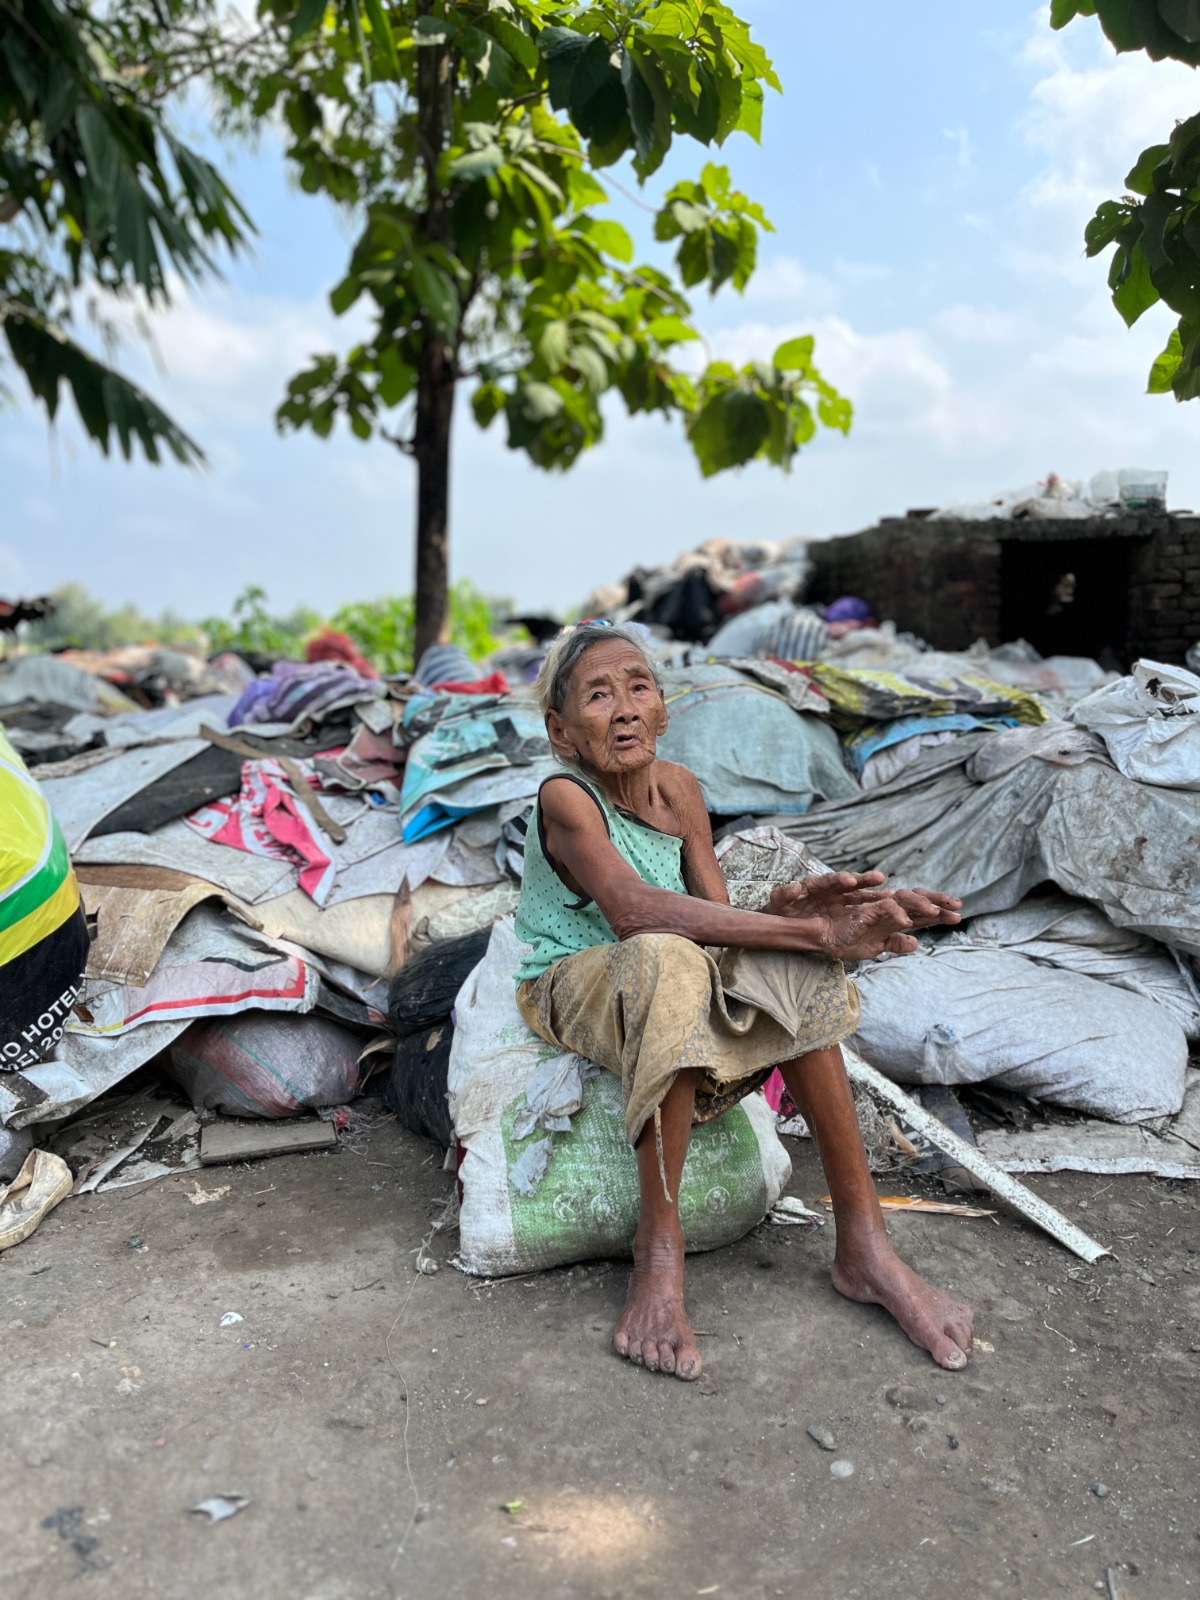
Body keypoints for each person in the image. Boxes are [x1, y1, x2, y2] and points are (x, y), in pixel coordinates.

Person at [514, 622, 974, 1382]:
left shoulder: (681, 790)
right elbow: (632, 910)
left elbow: (718, 924)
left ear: (664, 712)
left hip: (659, 965)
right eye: (597, 696)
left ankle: (864, 1246)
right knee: (668, 955)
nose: (623, 708)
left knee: (782, 962)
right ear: (560, 732)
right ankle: (658, 1255)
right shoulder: (566, 796)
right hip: (567, 980)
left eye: (638, 687)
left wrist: (796, 925)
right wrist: (808, 931)